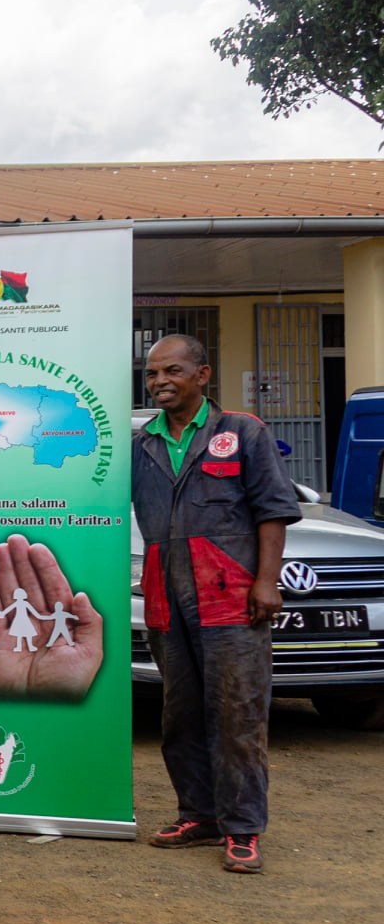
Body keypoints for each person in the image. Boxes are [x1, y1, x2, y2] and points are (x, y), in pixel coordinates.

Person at [134, 334, 298, 874]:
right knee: (179, 712)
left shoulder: (242, 432)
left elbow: (273, 511)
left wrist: (267, 581)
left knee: (236, 712)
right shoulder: (142, 443)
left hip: (230, 596)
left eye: (172, 371)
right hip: (165, 595)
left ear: (202, 375)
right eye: (153, 373)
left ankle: (242, 828)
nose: (160, 381)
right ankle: (198, 814)